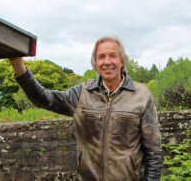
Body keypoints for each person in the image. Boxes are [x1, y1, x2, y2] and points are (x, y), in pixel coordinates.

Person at [10, 36, 162, 181]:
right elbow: (43, 99)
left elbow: (153, 152)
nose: (107, 62)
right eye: (101, 57)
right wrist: (18, 63)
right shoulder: (81, 94)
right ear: (95, 63)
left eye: (113, 56)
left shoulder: (142, 95)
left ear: (122, 60)